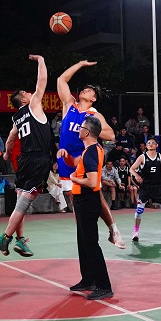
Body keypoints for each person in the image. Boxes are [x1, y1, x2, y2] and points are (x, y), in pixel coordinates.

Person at [56, 60, 121, 246]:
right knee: (73, 199)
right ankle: (83, 234)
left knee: (96, 197)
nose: (85, 90)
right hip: (65, 160)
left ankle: (113, 231)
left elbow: (111, 135)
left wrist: (90, 129)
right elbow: (61, 80)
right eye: (84, 89)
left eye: (90, 91)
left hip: (84, 161)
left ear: (94, 99)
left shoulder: (94, 115)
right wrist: (80, 64)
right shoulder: (69, 104)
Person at [0, 55, 52, 258]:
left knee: (21, 198)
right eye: (27, 93)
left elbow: (10, 139)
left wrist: (7, 153)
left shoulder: (17, 118)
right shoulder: (33, 104)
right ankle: (5, 237)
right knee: (25, 201)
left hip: (24, 160)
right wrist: (41, 60)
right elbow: (42, 80)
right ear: (25, 99)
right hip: (38, 159)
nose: (31, 92)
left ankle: (20, 240)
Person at [66, 116, 114, 300]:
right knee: (83, 242)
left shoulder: (91, 152)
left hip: (87, 200)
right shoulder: (93, 149)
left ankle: (104, 286)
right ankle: (88, 279)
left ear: (86, 132)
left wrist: (74, 178)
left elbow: (93, 182)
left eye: (81, 127)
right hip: (83, 201)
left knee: (91, 244)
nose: (79, 129)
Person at [128, 137, 161, 242]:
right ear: (146, 146)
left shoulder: (160, 156)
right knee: (139, 210)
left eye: (153, 143)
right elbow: (131, 169)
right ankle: (135, 232)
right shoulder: (142, 157)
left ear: (156, 145)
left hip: (158, 186)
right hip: (146, 187)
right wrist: (137, 176)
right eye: (148, 143)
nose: (150, 144)